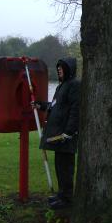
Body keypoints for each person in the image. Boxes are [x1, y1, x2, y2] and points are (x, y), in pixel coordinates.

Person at [33, 58, 80, 209]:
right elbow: (55, 106)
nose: (59, 69)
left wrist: (69, 131)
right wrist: (41, 105)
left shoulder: (74, 85)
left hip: (67, 136)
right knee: (59, 166)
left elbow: (75, 109)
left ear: (69, 69)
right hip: (58, 135)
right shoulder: (61, 87)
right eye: (58, 67)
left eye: (62, 67)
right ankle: (61, 195)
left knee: (66, 168)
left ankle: (67, 199)